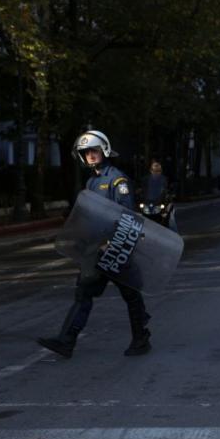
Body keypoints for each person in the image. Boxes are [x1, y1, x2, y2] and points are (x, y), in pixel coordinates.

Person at [38, 130, 153, 358]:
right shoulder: (91, 182)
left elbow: (127, 215)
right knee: (84, 295)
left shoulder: (117, 180)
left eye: (94, 150)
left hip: (116, 249)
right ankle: (66, 341)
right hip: (96, 251)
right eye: (86, 152)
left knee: (130, 295)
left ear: (104, 150)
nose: (90, 155)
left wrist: (112, 243)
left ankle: (141, 339)